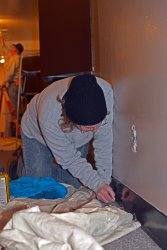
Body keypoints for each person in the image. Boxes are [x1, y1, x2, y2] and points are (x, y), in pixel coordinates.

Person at [21, 74, 115, 203]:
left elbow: (104, 141)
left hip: (74, 137)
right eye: (87, 127)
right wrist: (96, 184)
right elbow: (70, 159)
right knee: (40, 190)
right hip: (36, 134)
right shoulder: (48, 115)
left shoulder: (106, 94)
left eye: (97, 125)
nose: (93, 130)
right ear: (70, 119)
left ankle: (56, 173)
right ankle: (22, 167)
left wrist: (103, 183)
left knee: (74, 191)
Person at [3, 43, 24, 117]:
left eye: (13, 48)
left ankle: (15, 121)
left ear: (15, 50)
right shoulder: (17, 58)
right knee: (17, 103)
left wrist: (4, 82)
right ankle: (17, 120)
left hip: (13, 84)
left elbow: (10, 73)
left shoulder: (14, 58)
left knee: (13, 104)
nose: (11, 49)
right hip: (16, 83)